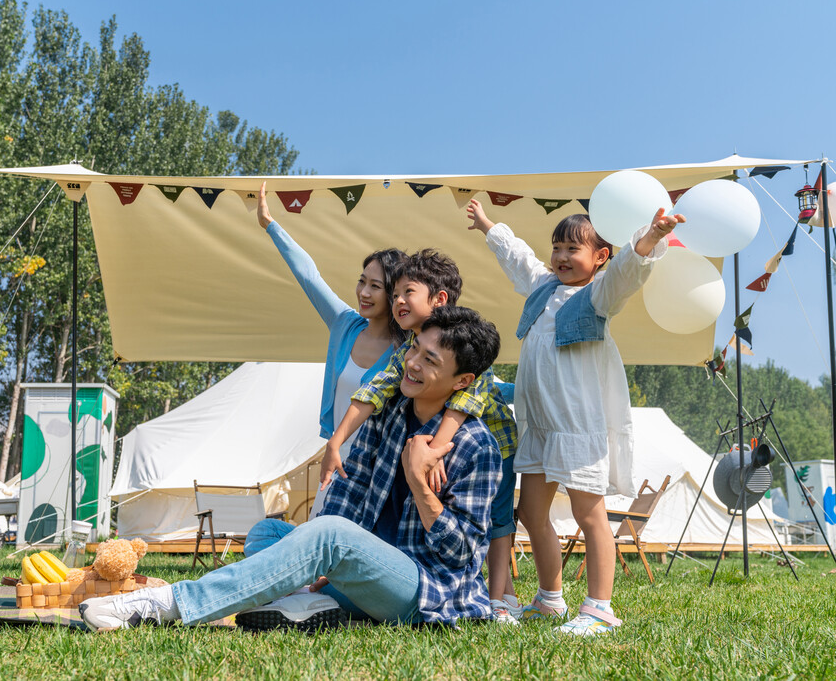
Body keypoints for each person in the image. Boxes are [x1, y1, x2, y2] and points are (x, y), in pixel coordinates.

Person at [79, 306, 504, 631]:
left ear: (462, 381)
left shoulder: (475, 445)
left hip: (426, 592)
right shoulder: (391, 411)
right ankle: (310, 598)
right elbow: (350, 489)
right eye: (414, 349)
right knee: (271, 533)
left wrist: (419, 485)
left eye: (431, 361)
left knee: (328, 536)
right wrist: (321, 556)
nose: (412, 363)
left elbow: (463, 554)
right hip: (367, 569)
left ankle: (168, 605)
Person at [465, 198, 682, 636]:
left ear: (598, 257)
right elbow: (517, 257)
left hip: (577, 425)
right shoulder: (543, 287)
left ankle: (600, 608)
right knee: (530, 512)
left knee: (590, 515)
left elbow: (626, 273)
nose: (562, 257)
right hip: (540, 426)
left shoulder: (597, 295)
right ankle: (550, 599)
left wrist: (651, 237)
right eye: (557, 247)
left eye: (573, 249)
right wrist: (488, 224)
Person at [323, 249, 521, 623]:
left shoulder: (467, 354)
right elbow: (373, 390)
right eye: (394, 293)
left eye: (405, 292)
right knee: (272, 533)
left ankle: (498, 599)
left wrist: (432, 450)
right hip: (433, 457)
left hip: (490, 450)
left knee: (496, 526)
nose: (397, 300)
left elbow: (461, 406)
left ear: (438, 300)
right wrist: (335, 441)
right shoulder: (406, 355)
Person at [254, 182, 406, 522]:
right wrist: (270, 225)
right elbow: (309, 275)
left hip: (375, 471)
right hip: (333, 461)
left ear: (395, 293)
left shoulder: (406, 349)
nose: (364, 292)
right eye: (362, 280)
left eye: (375, 286)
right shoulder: (344, 325)